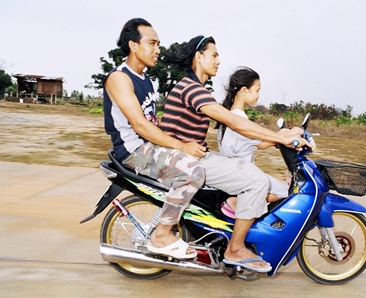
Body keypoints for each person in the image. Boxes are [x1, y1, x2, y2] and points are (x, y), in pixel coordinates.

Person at [159, 35, 312, 272]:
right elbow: (237, 123)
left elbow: (245, 131)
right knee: (258, 182)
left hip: (196, 157)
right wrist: (279, 136)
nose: (218, 61)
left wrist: (278, 137)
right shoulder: (192, 88)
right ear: (199, 57)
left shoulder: (196, 88)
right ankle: (236, 247)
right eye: (214, 55)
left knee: (257, 180)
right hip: (185, 160)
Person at [103, 18, 207, 260]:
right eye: (152, 43)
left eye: (159, 44)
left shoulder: (145, 79)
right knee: (192, 171)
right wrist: (181, 147)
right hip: (134, 152)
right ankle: (161, 236)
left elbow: (152, 123)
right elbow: (139, 124)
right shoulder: (119, 78)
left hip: (148, 146)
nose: (158, 49)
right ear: (133, 46)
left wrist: (182, 142)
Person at [216, 67, 302, 218]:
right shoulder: (239, 118)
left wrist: (280, 136)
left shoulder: (229, 115)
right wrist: (283, 136)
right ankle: (237, 201)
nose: (258, 96)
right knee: (283, 191)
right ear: (244, 90)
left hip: (235, 169)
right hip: (241, 172)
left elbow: (259, 143)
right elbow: (261, 141)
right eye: (257, 90)